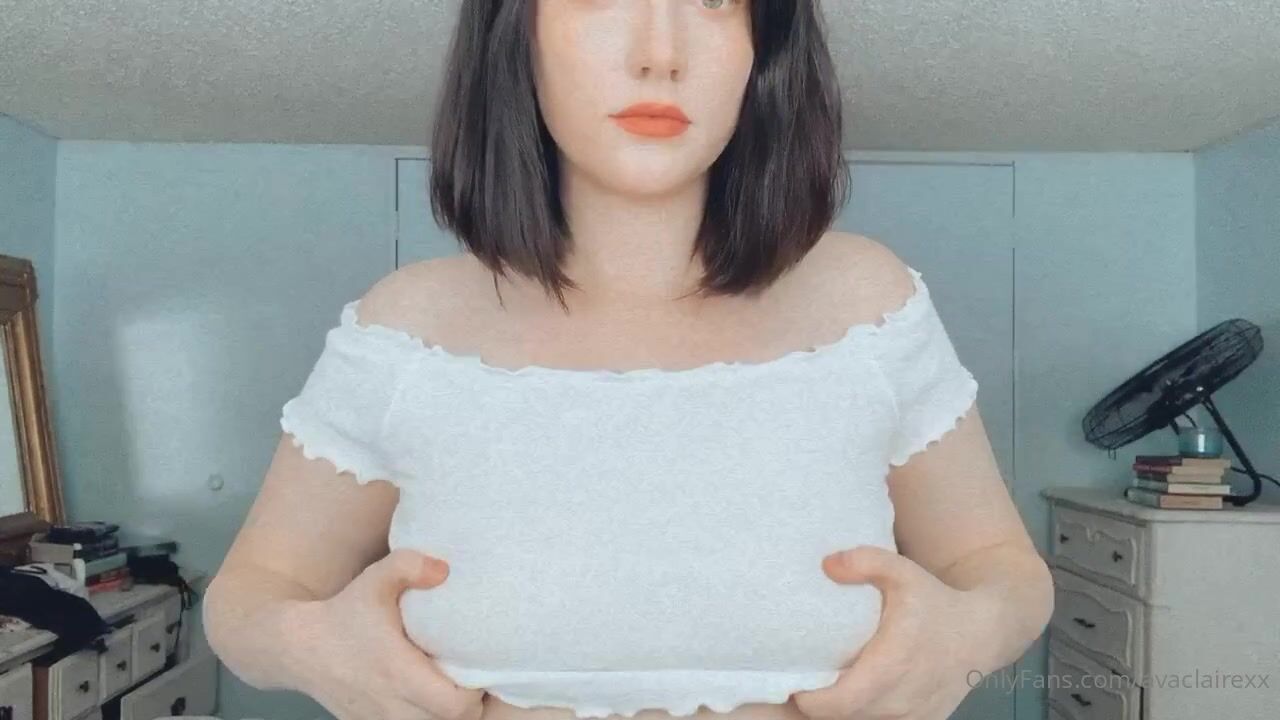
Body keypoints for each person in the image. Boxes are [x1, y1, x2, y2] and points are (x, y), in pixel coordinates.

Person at [203, 1, 1053, 719]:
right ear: (514, 31)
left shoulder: (868, 304)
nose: (659, 54)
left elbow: (1004, 570)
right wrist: (311, 645)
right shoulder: (405, 328)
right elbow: (246, 599)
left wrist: (967, 636)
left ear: (763, 44)